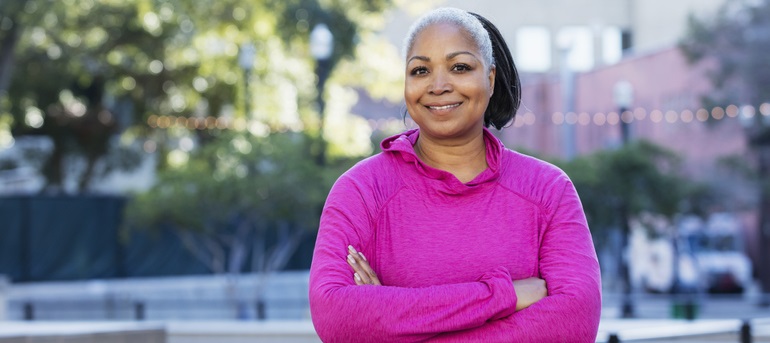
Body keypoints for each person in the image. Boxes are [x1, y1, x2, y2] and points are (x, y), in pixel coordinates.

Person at [309, 7, 601, 342]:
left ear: (489, 79)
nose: (438, 85)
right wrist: (504, 296)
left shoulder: (547, 190)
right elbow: (334, 313)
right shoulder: (361, 191)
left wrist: (394, 323)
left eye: (459, 67)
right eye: (420, 70)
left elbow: (575, 324)